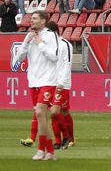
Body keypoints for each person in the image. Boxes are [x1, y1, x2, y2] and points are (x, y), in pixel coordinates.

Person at [16, 11, 59, 160]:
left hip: (47, 80)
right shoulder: (29, 36)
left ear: (43, 21)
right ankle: (50, 151)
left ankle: (41, 149)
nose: (31, 21)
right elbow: (19, 58)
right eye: (31, 18)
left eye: (34, 18)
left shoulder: (50, 35)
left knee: (40, 112)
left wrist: (39, 42)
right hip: (33, 81)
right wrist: (27, 42)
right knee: (41, 117)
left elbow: (54, 57)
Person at [46, 21, 73, 149]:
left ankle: (68, 138)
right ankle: (58, 141)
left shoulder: (65, 44)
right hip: (49, 82)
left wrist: (61, 82)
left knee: (59, 111)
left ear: (54, 32)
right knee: (56, 112)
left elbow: (67, 64)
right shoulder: (48, 46)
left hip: (62, 83)